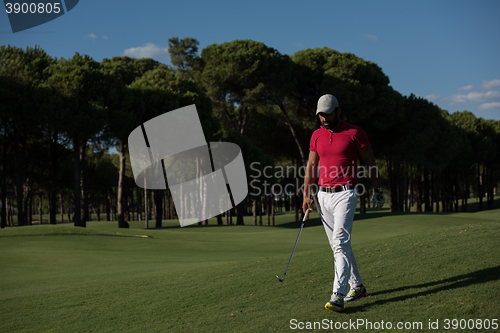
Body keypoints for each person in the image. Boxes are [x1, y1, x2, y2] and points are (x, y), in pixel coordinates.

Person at [302, 94, 384, 312]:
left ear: (338, 111)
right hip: (323, 195)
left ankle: (337, 295)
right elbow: (311, 166)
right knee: (338, 246)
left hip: (345, 194)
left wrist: (378, 188)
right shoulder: (316, 135)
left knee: (339, 243)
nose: (324, 119)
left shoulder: (355, 132)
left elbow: (370, 162)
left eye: (328, 114)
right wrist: (306, 194)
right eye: (321, 115)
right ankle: (357, 286)